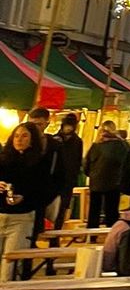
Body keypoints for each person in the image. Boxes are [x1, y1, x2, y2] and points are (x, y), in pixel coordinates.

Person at [0, 123, 48, 278]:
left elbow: (43, 191)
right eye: (16, 135)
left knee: (10, 266)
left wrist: (25, 197)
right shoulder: (3, 160)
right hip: (1, 215)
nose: (19, 139)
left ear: (32, 139)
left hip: (21, 218)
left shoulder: (39, 163)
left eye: (24, 135)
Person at [25, 107, 61, 242]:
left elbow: (60, 174)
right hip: (23, 199)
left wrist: (49, 194)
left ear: (47, 123)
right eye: (32, 124)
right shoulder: (22, 143)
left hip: (42, 197)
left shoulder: (54, 146)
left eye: (38, 124)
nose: (35, 128)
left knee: (34, 235)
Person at [84, 121, 127, 227]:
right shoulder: (120, 145)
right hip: (113, 182)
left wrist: (91, 174)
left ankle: (91, 235)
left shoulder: (96, 145)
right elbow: (127, 162)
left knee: (94, 211)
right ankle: (111, 234)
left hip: (95, 182)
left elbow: (86, 163)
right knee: (111, 210)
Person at [52, 113, 84, 230]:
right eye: (67, 125)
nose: (68, 128)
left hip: (68, 181)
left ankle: (56, 236)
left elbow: (78, 160)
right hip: (54, 180)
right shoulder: (55, 139)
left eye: (71, 126)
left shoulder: (78, 141)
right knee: (50, 207)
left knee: (62, 209)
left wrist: (73, 177)